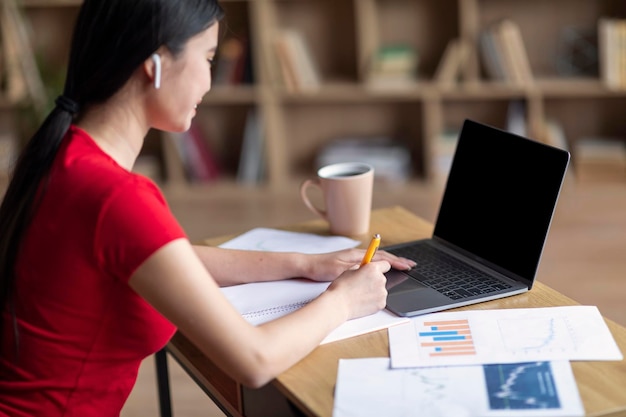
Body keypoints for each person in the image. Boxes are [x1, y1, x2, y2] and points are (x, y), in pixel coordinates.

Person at [0, 0, 415, 415]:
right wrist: (344, 300)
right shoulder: (116, 197)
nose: (209, 81)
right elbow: (255, 361)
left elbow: (162, 256)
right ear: (155, 62)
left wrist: (304, 263)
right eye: (208, 58)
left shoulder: (66, 156)